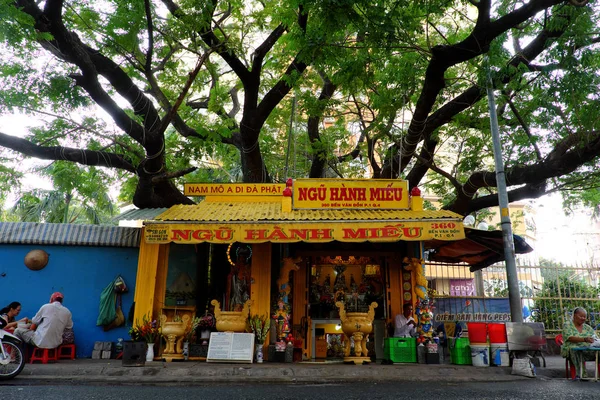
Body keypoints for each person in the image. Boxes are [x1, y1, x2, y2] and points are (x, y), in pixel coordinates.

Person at [561, 307, 598, 379]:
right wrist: (584, 339)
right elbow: (570, 338)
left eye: (584, 317)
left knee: (599, 353)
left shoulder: (587, 327)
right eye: (581, 316)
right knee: (575, 350)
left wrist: (593, 340)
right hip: (572, 349)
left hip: (587, 349)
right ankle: (582, 375)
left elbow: (595, 338)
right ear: (574, 316)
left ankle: (597, 376)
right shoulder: (567, 325)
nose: (583, 318)